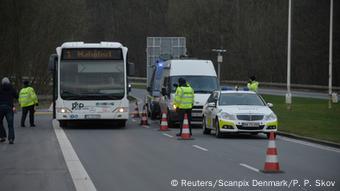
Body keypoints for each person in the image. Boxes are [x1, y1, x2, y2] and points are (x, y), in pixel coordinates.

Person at [0, 77, 18, 144]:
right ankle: (11, 139)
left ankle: (2, 137)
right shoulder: (11, 88)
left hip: (0, 107)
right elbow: (17, 96)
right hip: (9, 108)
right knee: (10, 124)